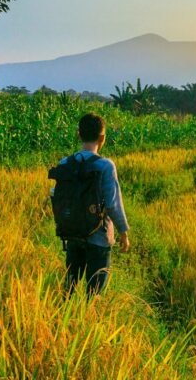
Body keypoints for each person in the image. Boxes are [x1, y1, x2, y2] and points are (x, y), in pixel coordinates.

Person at [53, 113, 130, 296]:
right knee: (94, 294)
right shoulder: (105, 166)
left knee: (68, 290)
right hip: (99, 238)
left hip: (72, 235)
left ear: (78, 134)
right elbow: (112, 205)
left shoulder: (65, 163)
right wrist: (123, 232)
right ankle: (88, 323)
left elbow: (59, 198)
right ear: (102, 137)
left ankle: (61, 320)